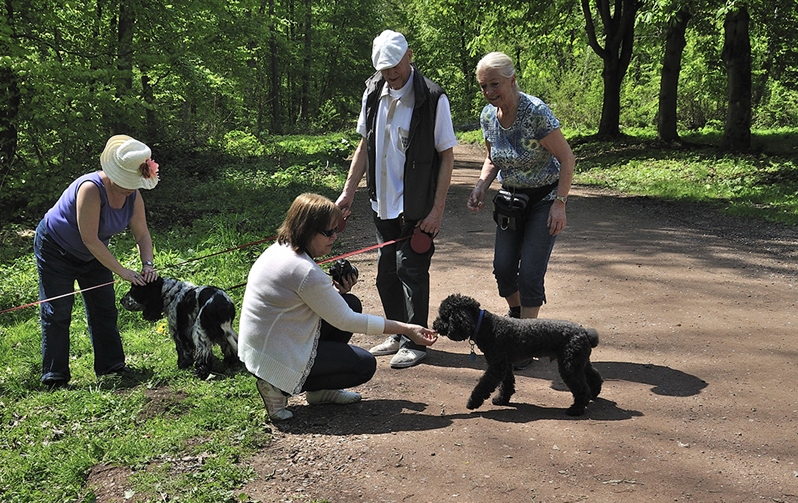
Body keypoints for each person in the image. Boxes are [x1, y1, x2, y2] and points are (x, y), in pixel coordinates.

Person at [238, 193, 438, 422]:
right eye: (329, 231)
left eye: (337, 229)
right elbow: (347, 321)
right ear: (308, 229)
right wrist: (407, 329)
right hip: (271, 359)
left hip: (263, 346)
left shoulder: (283, 248)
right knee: (363, 365)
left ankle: (319, 391)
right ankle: (277, 387)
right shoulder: (303, 269)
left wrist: (337, 292)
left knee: (350, 301)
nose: (335, 236)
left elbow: (313, 302)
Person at [337, 29, 457, 369]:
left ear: (410, 56)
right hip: (382, 203)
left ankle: (416, 341)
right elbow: (364, 146)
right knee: (386, 272)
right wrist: (348, 192)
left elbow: (447, 156)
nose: (391, 76)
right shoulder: (373, 91)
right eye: (384, 70)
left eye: (395, 68)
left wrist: (437, 210)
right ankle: (397, 331)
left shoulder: (433, 98)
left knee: (411, 270)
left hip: (416, 207)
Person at [466, 52, 576, 366]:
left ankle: (525, 340)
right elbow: (493, 158)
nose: (489, 92)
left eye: (495, 84)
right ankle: (517, 316)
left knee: (529, 273)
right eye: (484, 86)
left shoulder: (536, 113)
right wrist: (480, 185)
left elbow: (567, 159)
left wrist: (560, 203)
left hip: (544, 199)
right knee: (503, 270)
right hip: (512, 200)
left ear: (512, 80)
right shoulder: (488, 116)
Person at [34, 135, 160, 388]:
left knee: (104, 307)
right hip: (56, 249)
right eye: (127, 183)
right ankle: (55, 375)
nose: (130, 188)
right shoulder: (91, 189)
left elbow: (142, 233)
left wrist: (147, 265)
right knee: (57, 310)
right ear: (113, 173)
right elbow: (89, 238)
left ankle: (111, 367)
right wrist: (122, 271)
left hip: (94, 254)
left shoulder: (133, 196)